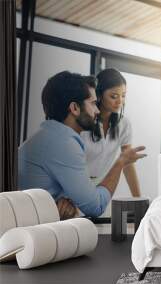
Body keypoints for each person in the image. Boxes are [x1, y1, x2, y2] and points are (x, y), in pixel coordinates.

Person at [18, 71, 146, 219]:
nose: (97, 109)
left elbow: (61, 177)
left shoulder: (49, 135)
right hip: (81, 198)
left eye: (123, 95)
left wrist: (62, 200)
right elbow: (95, 207)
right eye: (93, 103)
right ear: (74, 108)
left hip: (77, 194)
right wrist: (120, 162)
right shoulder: (65, 143)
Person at [80, 68, 140, 198]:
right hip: (75, 185)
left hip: (101, 189)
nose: (120, 101)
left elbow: (127, 164)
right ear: (99, 95)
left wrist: (139, 199)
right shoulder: (84, 121)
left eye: (123, 95)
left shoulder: (123, 124)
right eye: (114, 96)